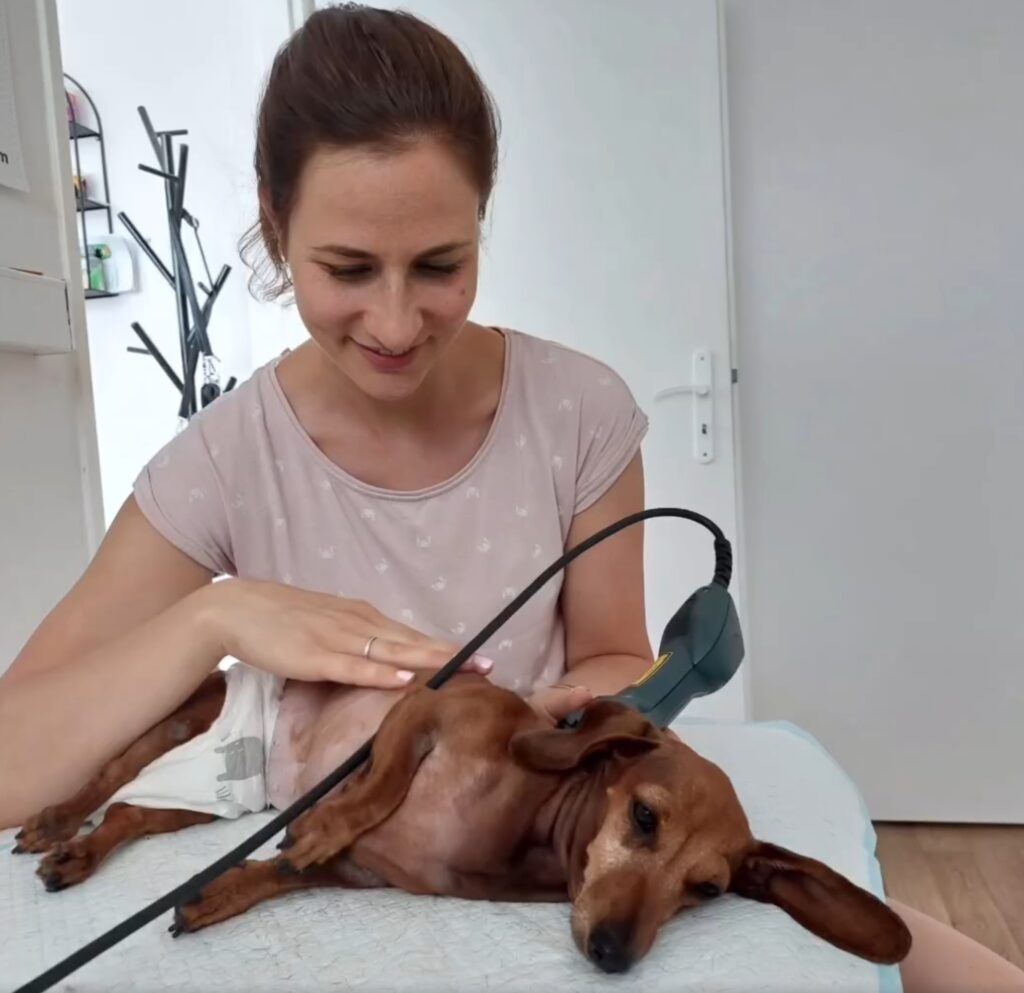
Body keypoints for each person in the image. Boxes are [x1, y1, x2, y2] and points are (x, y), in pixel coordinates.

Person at [0, 5, 1020, 991]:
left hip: (527, 840)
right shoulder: (223, 462)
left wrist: (585, 702)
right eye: (348, 268)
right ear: (274, 225)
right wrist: (217, 617)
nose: (395, 323)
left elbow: (612, 654)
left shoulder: (578, 413)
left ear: (481, 223)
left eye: (439, 265)